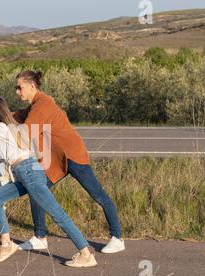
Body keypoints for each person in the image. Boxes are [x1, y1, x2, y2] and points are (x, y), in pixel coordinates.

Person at [0, 96, 97, 267]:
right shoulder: (9, 129)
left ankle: (85, 254)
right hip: (30, 172)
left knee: (57, 214)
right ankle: (6, 245)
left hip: (29, 174)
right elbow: (1, 156)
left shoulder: (0, 129)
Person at [12, 70, 124, 254]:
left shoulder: (43, 104)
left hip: (73, 155)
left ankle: (117, 238)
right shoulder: (35, 105)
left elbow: (25, 130)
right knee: (37, 190)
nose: (17, 91)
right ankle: (39, 238)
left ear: (31, 86)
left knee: (98, 195)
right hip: (58, 158)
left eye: (19, 87)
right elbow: (17, 116)